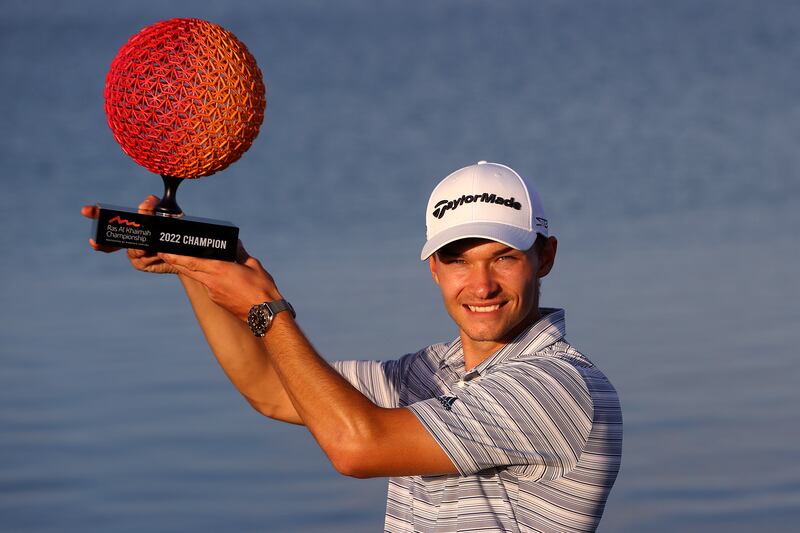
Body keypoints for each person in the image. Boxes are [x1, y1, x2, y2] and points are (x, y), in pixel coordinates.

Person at [82, 161, 622, 532]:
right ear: (433, 268)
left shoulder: (561, 387)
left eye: (503, 257)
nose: (480, 285)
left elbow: (356, 447)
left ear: (544, 258)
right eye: (458, 260)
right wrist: (195, 264)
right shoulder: (431, 374)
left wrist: (267, 308)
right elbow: (272, 389)